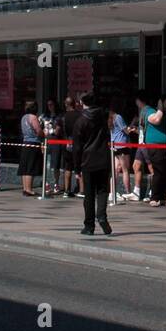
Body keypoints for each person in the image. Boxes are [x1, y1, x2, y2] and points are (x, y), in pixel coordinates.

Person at [72, 92, 113, 236]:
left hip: (87, 160)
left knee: (89, 195)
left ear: (83, 103)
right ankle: (101, 216)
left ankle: (89, 226)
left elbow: (77, 147)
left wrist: (76, 168)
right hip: (103, 158)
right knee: (103, 191)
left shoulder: (81, 121)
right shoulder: (103, 116)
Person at [18, 99, 43, 196]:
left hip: (25, 143)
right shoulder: (33, 117)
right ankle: (29, 189)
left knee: (25, 166)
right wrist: (44, 134)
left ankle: (25, 188)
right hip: (33, 143)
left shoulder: (24, 117)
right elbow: (38, 131)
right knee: (30, 167)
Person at [108, 98, 131, 200]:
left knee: (115, 170)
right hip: (122, 144)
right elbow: (126, 131)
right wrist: (132, 127)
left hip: (114, 145)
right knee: (125, 170)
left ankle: (112, 192)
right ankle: (127, 192)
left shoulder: (110, 118)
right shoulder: (118, 117)